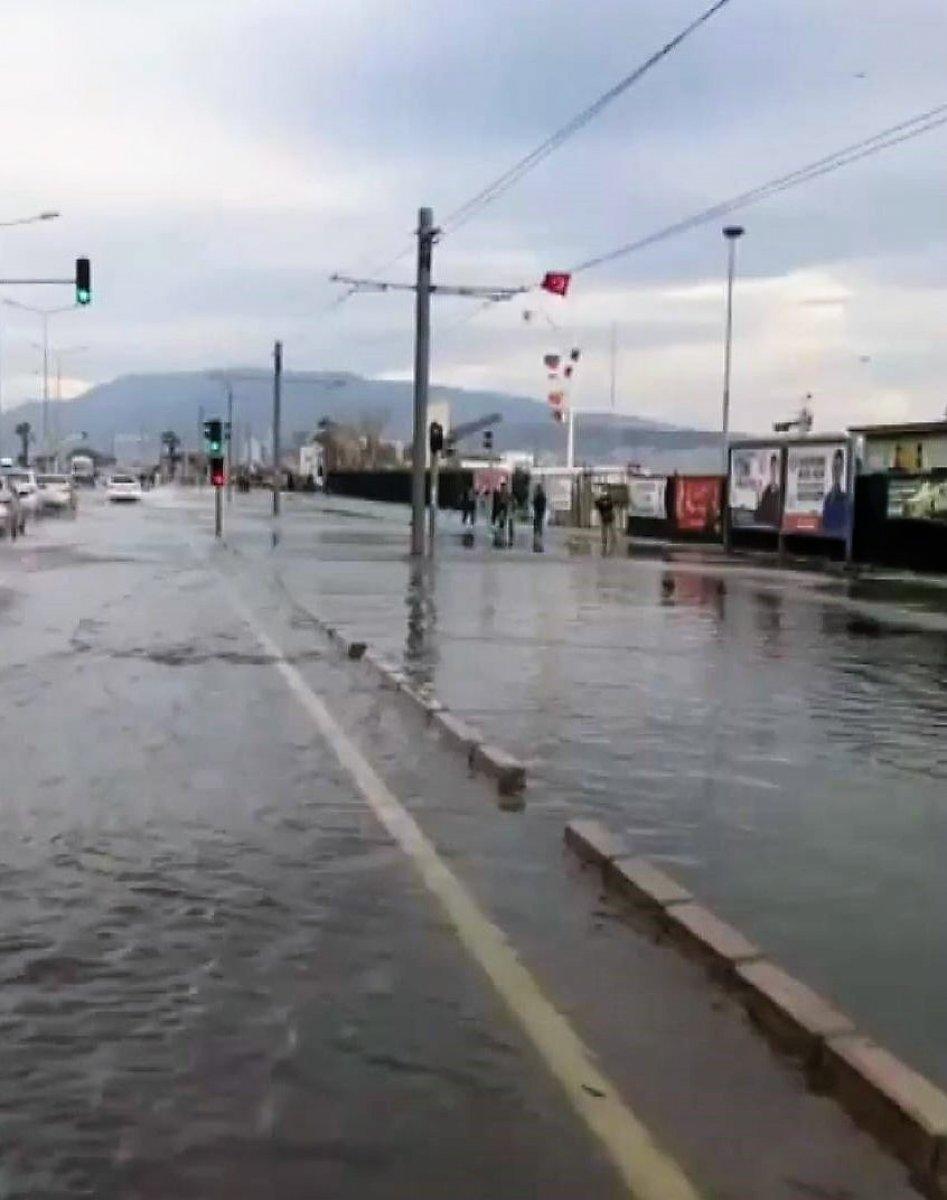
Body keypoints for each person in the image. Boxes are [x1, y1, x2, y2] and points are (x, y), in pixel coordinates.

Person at [821, 448, 849, 536]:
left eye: (839, 467)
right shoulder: (828, 497)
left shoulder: (845, 497)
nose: (836, 471)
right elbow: (825, 522)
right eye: (834, 467)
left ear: (842, 469)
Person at [754, 453, 782, 526]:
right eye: (772, 466)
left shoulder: (777, 490)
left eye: (775, 467)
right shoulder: (768, 489)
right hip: (767, 521)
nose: (773, 470)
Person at [595, 486, 617, 555]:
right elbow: (598, 505)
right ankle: (608, 540)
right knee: (608, 529)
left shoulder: (607, 499)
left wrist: (602, 502)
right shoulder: (604, 499)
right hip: (606, 517)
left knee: (608, 529)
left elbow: (609, 505)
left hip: (607, 517)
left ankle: (608, 540)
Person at [532, 482, 547, 552]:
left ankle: (537, 544)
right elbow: (543, 506)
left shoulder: (538, 496)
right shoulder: (542, 496)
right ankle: (538, 544)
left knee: (537, 529)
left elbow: (535, 505)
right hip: (539, 514)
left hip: (538, 514)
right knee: (539, 529)